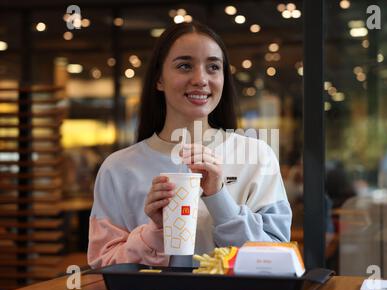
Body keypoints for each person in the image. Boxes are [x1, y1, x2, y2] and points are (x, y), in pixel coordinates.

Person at [87, 21, 292, 269]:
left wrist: (219, 199)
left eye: (213, 67)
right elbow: (101, 267)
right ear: (158, 80)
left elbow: (275, 259)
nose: (200, 79)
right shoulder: (118, 168)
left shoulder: (258, 156)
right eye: (185, 66)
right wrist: (155, 232)